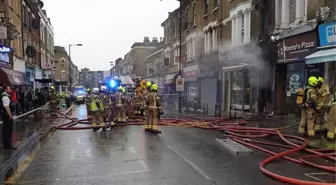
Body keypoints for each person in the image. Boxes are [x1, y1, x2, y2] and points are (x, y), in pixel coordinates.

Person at [2, 85, 16, 149]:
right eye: (9, 89)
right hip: (7, 116)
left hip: (6, 115)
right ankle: (7, 145)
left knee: (7, 130)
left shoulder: (6, 96)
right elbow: (6, 107)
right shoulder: (5, 97)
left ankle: (7, 145)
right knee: (8, 130)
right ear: (5, 90)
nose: (10, 90)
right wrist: (10, 115)